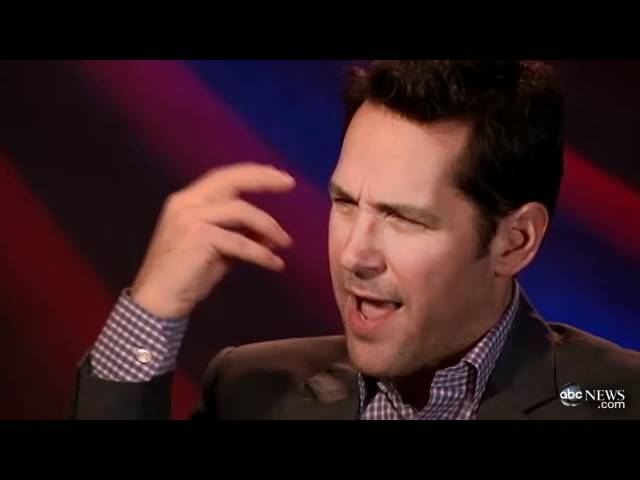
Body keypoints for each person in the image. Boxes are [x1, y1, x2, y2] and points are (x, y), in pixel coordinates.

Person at [69, 60, 640, 420]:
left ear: (514, 241)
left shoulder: (612, 399)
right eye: (345, 203)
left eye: (404, 218)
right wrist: (152, 311)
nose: (353, 255)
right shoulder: (250, 391)